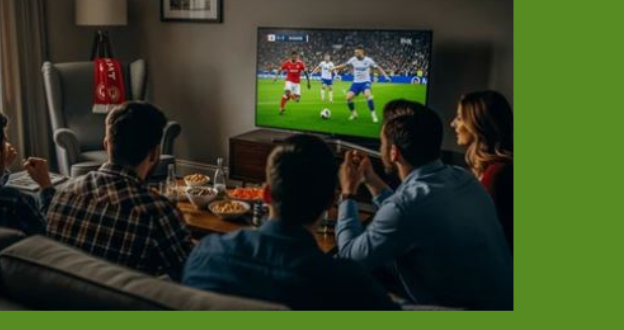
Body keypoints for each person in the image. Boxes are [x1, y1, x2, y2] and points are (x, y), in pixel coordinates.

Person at [182, 134, 398, 310]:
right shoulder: (350, 283)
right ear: (331, 202)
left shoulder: (204, 255)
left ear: (265, 194)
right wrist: (349, 194)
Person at [336, 103, 513, 310]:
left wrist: (348, 193)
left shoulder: (405, 206)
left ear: (394, 153)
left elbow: (349, 259)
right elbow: (408, 214)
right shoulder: (461, 176)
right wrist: (372, 181)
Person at [46, 102, 192, 280]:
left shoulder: (62, 193)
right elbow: (192, 275)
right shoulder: (157, 212)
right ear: (154, 154)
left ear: (107, 145)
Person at [452, 90, 514, 250]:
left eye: (459, 118)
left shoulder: (497, 175)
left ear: (477, 124)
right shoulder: (493, 170)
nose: (453, 124)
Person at [334, 45, 392, 123]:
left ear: (362, 52)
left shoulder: (368, 60)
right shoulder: (353, 59)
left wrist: (386, 76)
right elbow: (343, 65)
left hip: (365, 82)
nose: (355, 54)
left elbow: (378, 67)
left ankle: (373, 115)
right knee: (348, 98)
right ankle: (354, 114)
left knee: (367, 94)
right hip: (356, 83)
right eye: (355, 52)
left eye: (357, 52)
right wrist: (334, 68)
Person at [273, 50, 310, 115]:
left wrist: (308, 82)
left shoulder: (300, 63)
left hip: (297, 83)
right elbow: (280, 69)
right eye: (293, 57)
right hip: (289, 81)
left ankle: (286, 102)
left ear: (297, 57)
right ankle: (281, 108)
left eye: (295, 57)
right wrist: (276, 77)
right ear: (291, 57)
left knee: (296, 99)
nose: (294, 58)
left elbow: (306, 72)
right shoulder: (287, 63)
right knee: (287, 92)